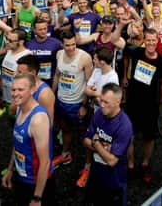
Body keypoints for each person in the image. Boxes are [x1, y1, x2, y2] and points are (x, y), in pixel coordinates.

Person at [2, 73, 56, 205]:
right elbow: (17, 143)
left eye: (21, 90)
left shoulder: (38, 119)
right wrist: (10, 169)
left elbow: (45, 162)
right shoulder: (20, 108)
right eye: (13, 89)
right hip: (23, 178)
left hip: (37, 183)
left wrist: (37, 198)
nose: (15, 94)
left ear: (32, 90)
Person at [124, 28, 162, 184]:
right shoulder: (136, 52)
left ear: (158, 41)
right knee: (129, 135)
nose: (150, 43)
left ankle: (145, 164)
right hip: (132, 103)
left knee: (149, 137)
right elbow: (123, 48)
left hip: (151, 106)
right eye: (148, 40)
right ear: (144, 41)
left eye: (153, 40)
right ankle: (130, 165)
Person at [83, 83, 133, 206]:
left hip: (114, 180)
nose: (101, 105)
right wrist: (104, 149)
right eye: (101, 100)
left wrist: (96, 143)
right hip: (96, 173)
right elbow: (85, 140)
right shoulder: (99, 114)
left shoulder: (124, 125)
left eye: (106, 102)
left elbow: (112, 161)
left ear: (118, 102)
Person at [77, 47, 119, 188]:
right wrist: (96, 94)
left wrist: (95, 93)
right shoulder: (97, 70)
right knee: (88, 141)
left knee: (103, 143)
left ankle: (104, 170)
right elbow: (87, 89)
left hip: (106, 117)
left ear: (102, 62)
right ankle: (88, 168)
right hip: (94, 111)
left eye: (95, 58)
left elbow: (106, 98)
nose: (92, 60)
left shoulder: (113, 77)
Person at [52, 31, 93, 168]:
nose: (70, 48)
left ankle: (88, 165)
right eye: (67, 45)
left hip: (77, 103)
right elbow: (57, 75)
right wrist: (52, 94)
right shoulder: (59, 54)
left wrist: (84, 105)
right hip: (61, 101)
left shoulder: (85, 57)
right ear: (62, 44)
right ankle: (65, 154)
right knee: (65, 129)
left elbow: (90, 83)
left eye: (73, 45)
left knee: (85, 135)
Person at [1, 29, 32, 108]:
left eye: (11, 41)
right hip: (7, 98)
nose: (7, 42)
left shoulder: (26, 56)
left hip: (18, 103)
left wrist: (16, 102)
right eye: (7, 39)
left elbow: (26, 83)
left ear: (21, 42)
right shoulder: (10, 50)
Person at [26, 19, 62, 86]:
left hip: (51, 81)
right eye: (40, 29)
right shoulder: (29, 45)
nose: (43, 31)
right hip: (34, 81)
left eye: (45, 29)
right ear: (34, 30)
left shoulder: (56, 43)